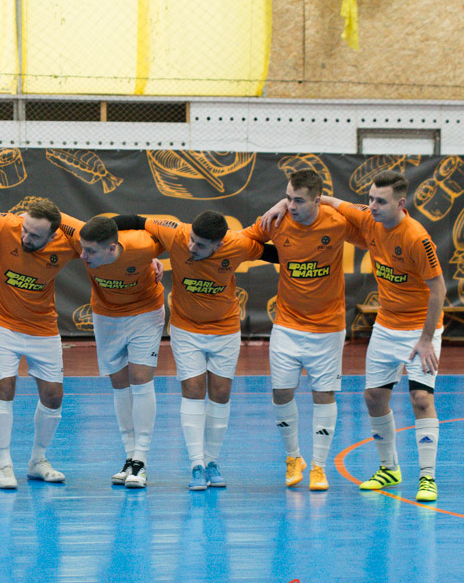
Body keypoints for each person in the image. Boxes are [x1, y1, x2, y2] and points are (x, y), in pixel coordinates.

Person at [266, 170, 445, 502]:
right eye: (370, 199)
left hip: (420, 329)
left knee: (421, 399)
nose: (372, 206)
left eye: (381, 201)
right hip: (386, 326)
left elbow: (438, 290)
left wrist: (425, 339)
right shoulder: (367, 219)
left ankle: (427, 477)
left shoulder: (416, 238)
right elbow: (326, 200)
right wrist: (282, 203)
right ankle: (389, 468)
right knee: (374, 398)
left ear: (401, 204)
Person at [116, 212, 272, 490]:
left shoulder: (237, 245)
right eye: (192, 240)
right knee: (193, 389)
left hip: (225, 329)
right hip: (186, 328)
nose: (191, 247)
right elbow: (136, 221)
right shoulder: (177, 234)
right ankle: (196, 465)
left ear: (218, 245)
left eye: (200, 245)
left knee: (221, 393)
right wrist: (94, 234)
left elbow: (274, 253)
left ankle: (212, 462)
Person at [244, 170, 360, 492]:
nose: (291, 206)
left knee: (323, 394)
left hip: (328, 327)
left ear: (317, 200)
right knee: (281, 392)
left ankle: (319, 467)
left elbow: (374, 229)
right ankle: (293, 457)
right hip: (287, 325)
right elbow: (242, 241)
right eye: (288, 198)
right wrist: (280, 207)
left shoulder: (337, 222)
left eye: (298, 200)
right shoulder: (277, 220)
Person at [0, 198, 85, 489]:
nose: (26, 237)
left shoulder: (68, 243)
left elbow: (103, 241)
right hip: (2, 324)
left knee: (53, 396)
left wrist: (151, 262)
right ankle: (4, 464)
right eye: (25, 230)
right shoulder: (8, 225)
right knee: (4, 388)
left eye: (35, 235)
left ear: (53, 235)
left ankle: (37, 461)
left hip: (43, 327)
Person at [76, 216, 165, 488]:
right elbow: (45, 219)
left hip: (145, 311)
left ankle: (141, 460)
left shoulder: (144, 244)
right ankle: (129, 457)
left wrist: (150, 260)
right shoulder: (80, 237)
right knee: (119, 382)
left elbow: (182, 237)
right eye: (82, 248)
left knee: (140, 378)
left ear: (112, 248)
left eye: (90, 251)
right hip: (106, 315)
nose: (83, 255)